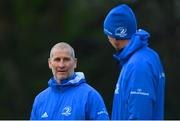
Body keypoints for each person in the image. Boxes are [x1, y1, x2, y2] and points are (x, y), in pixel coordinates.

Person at [103, 4, 165, 120]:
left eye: (108, 35)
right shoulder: (144, 57)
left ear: (116, 36)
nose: (108, 38)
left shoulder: (138, 65)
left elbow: (139, 115)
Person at [30, 42, 109, 120]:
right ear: (50, 63)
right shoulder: (40, 100)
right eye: (57, 59)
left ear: (75, 63)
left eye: (66, 59)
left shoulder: (90, 96)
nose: (61, 65)